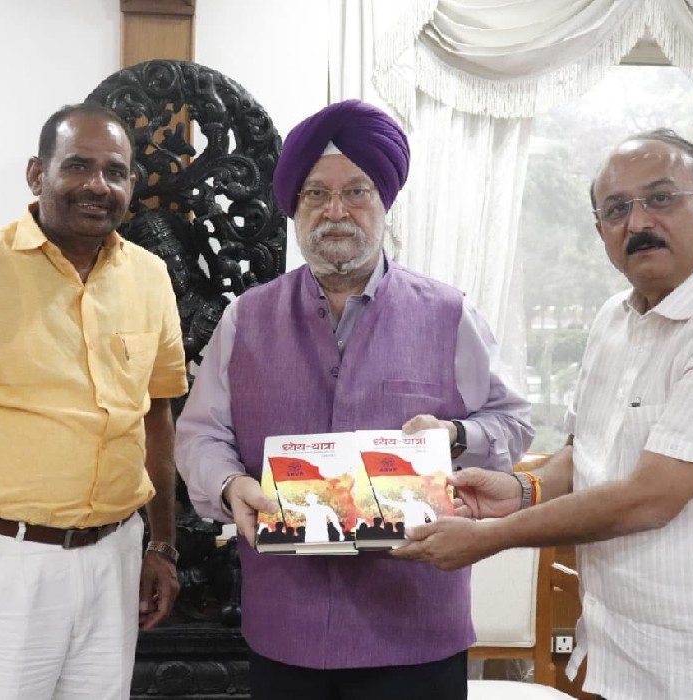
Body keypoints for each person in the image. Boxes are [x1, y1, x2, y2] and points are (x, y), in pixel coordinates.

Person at [395, 128, 693, 700]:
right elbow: (586, 454)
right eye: (617, 208)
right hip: (622, 657)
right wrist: (519, 490)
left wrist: (489, 538)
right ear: (600, 231)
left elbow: (651, 497)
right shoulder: (611, 321)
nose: (638, 221)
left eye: (661, 198)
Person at [174, 98, 533, 700]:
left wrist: (455, 437)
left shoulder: (449, 314)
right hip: (286, 625)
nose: (335, 210)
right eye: (315, 193)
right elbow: (200, 434)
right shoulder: (245, 318)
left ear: (384, 204)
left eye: (357, 191)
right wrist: (231, 485)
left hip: (417, 627)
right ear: (293, 208)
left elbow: (513, 423)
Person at [0, 103, 189, 699]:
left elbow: (157, 417)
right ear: (36, 173)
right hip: (5, 564)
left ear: (131, 184)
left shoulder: (150, 278)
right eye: (77, 166)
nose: (97, 186)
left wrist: (162, 545)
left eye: (115, 171)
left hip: (115, 560)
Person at [279, 493, 345, 542]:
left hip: (321, 535)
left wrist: (340, 532)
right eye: (309, 498)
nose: (311, 499)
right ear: (308, 500)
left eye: (312, 498)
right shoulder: (307, 509)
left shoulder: (324, 508)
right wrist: (279, 494)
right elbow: (287, 505)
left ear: (316, 499)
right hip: (311, 536)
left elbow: (335, 520)